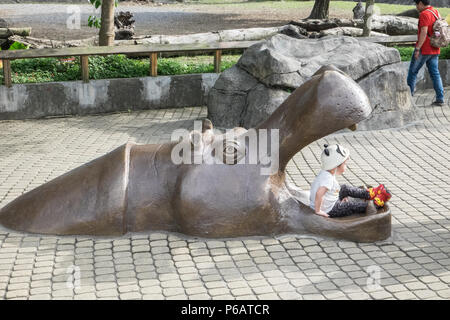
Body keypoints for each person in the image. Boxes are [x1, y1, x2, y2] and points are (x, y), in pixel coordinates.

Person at [309, 144, 391, 218]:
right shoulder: (327, 178)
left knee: (344, 188)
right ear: (335, 166)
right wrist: (318, 210)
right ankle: (374, 204)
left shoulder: (326, 172)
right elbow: (319, 194)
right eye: (345, 164)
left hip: (329, 201)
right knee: (350, 206)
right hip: (330, 209)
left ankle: (369, 193)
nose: (346, 166)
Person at [407, 0, 445, 106]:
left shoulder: (424, 14)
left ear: (420, 3)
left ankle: (409, 100)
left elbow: (424, 32)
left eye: (416, 4)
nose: (416, 7)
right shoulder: (435, 11)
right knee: (435, 74)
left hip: (424, 49)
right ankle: (440, 98)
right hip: (435, 48)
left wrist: (418, 48)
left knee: (413, 72)